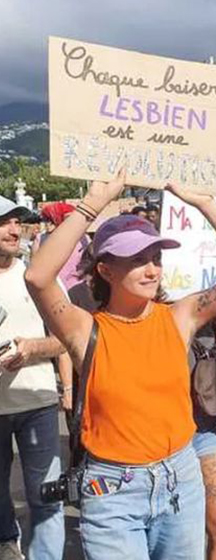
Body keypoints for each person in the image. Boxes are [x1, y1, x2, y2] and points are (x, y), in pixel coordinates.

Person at [24, 171, 216, 560]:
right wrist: (92, 204)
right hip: (112, 491)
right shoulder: (85, 329)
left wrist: (205, 203)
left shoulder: (180, 316)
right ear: (105, 270)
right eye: (137, 260)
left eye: (156, 258)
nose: (152, 270)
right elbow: (37, 277)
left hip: (181, 479)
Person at [0, 197, 67, 560]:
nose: (14, 230)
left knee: (47, 495)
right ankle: (8, 544)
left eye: (17, 222)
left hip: (38, 404)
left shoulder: (38, 280)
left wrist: (32, 348)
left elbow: (67, 339)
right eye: (4, 223)